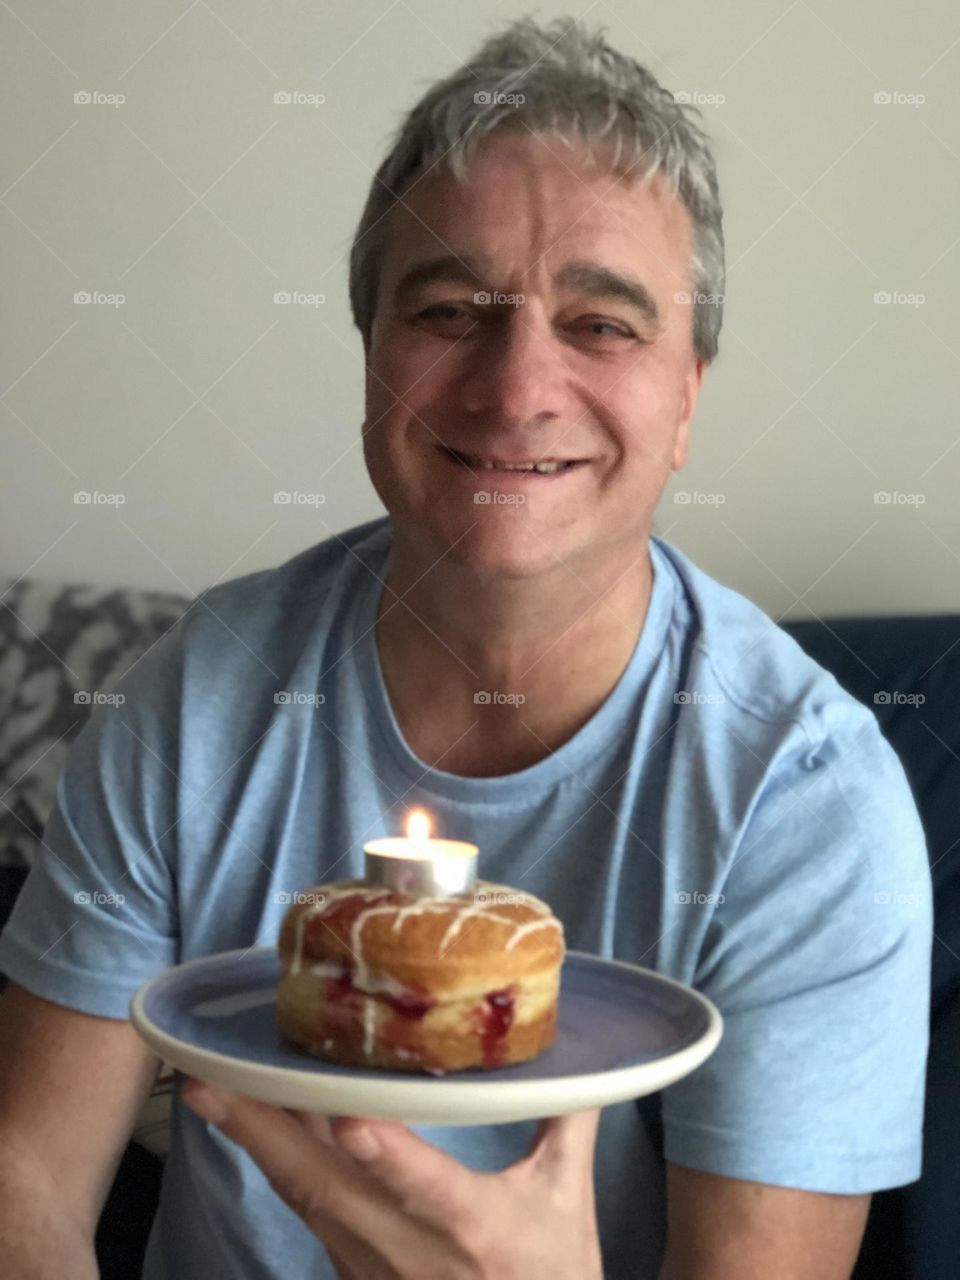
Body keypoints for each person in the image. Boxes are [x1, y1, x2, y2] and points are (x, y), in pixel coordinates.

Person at [0, 15, 931, 1280]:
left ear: (687, 398)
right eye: (450, 307)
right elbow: (26, 1179)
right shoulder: (195, 694)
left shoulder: (807, 804)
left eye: (602, 323)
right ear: (372, 357)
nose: (514, 386)